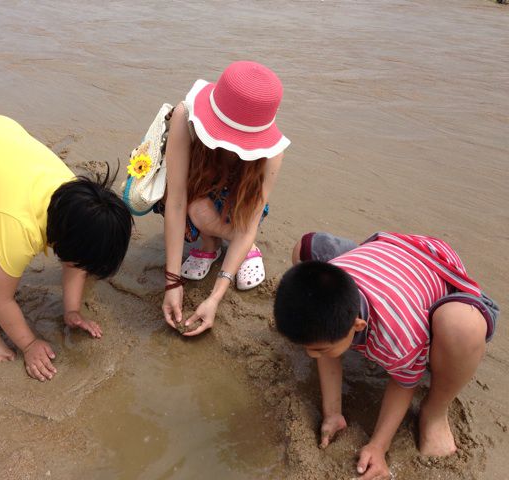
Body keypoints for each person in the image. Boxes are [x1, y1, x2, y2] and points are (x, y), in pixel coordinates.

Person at [0, 115, 132, 381]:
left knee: (2, 233)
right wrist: (28, 344)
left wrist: (72, 310)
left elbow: (75, 260)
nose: (81, 269)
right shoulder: (21, 228)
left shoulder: (77, 204)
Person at [274, 231, 499, 480]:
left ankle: (434, 413)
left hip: (440, 267)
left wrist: (379, 446)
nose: (310, 354)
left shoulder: (399, 334)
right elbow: (325, 335)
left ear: (358, 325)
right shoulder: (337, 280)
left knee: (462, 327)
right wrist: (332, 413)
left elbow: (404, 384)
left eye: (319, 350)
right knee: (306, 248)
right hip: (387, 256)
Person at [158, 61, 291, 336]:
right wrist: (172, 282)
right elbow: (176, 201)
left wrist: (215, 297)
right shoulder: (184, 117)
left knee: (240, 223)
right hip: (200, 188)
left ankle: (246, 248)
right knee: (194, 209)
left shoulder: (272, 153)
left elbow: (251, 220)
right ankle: (211, 244)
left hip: (240, 203)